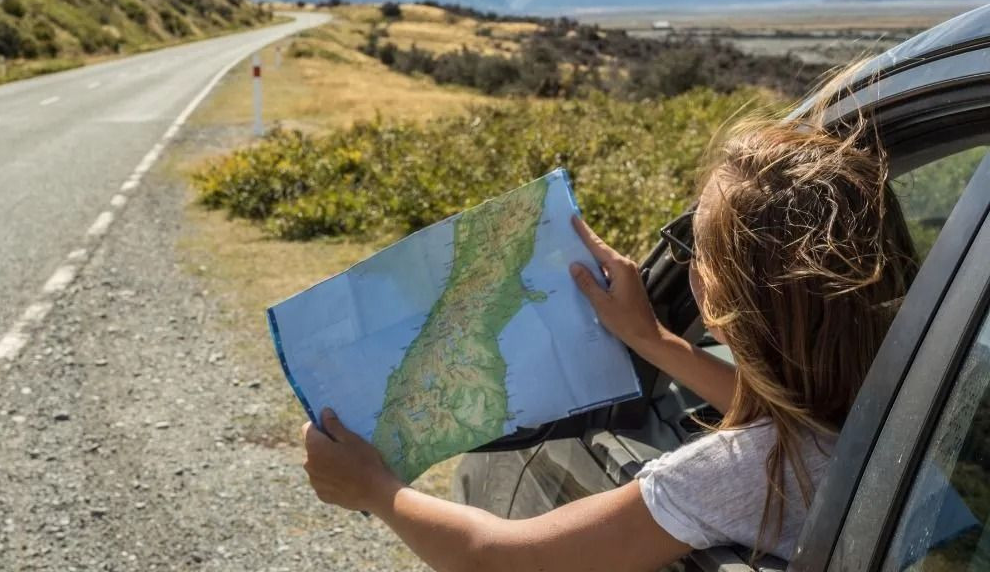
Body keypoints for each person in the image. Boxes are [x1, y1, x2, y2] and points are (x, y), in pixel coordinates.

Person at [299, 105, 919, 571]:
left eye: (692, 249)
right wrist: (651, 339)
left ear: (721, 303)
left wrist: (377, 490)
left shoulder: (745, 472)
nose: (688, 262)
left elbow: (498, 558)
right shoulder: (905, 403)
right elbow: (794, 411)